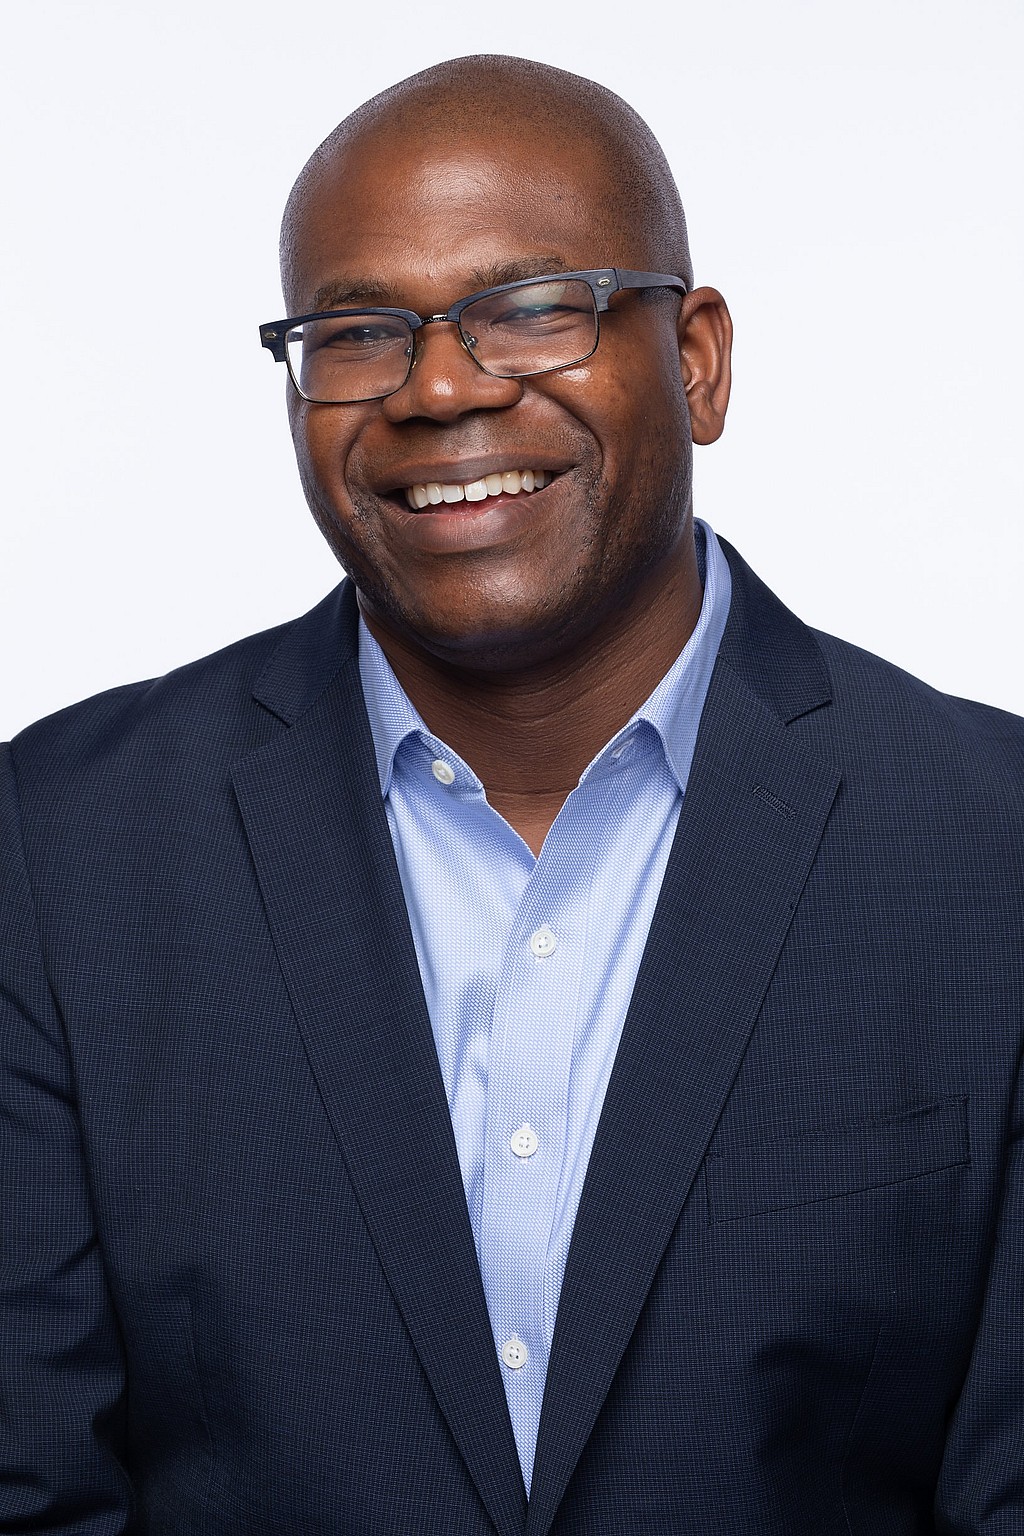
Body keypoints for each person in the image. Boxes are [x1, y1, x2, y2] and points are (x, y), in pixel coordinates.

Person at [1, 52, 1022, 1536]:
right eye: (358, 333)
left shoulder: (991, 845)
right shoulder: (59, 850)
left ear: (698, 362)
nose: (438, 387)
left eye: (533, 307)